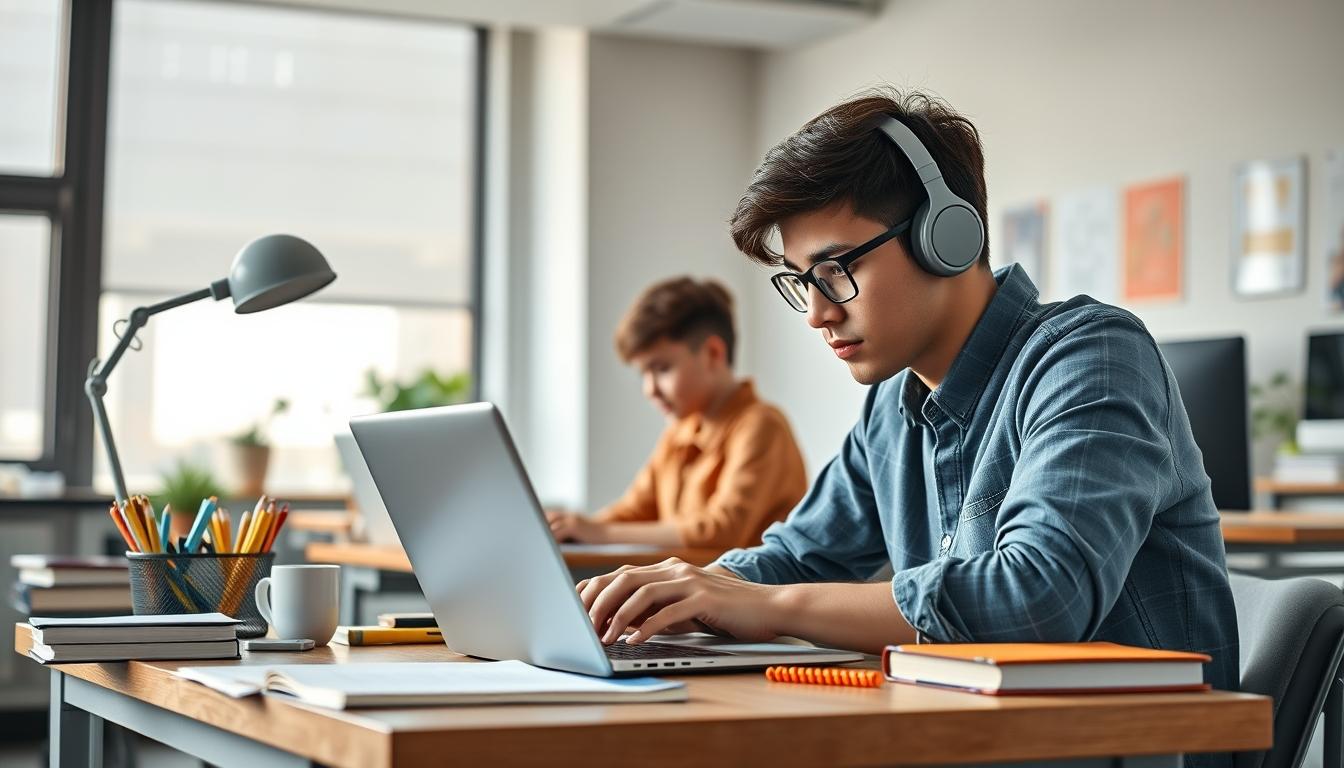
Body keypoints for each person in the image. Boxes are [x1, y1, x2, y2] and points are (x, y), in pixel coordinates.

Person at [579, 90, 1239, 721]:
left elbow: (1039, 596)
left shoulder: (1091, 356)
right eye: (801, 281)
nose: (815, 313)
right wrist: (670, 597)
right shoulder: (893, 406)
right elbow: (797, 557)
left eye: (836, 269)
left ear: (943, 237)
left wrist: (770, 605)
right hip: (969, 738)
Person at [546, 277, 807, 550]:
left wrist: (600, 534)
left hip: (751, 589)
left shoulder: (761, 425)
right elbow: (632, 513)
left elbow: (720, 532)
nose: (649, 390)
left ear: (712, 353)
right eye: (643, 374)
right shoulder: (679, 431)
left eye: (661, 369)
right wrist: (570, 529)